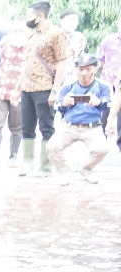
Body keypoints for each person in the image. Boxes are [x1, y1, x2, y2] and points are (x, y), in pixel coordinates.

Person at [18, 1, 71, 177]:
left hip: (45, 87)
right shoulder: (33, 35)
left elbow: (62, 61)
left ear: (40, 16)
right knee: (26, 127)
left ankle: (46, 167)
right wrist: (18, 87)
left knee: (46, 127)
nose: (28, 19)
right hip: (27, 88)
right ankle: (27, 163)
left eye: (30, 15)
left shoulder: (56, 34)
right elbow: (27, 62)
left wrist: (56, 90)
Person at [47, 54, 112, 185]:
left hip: (92, 127)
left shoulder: (102, 86)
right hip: (69, 126)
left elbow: (108, 104)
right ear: (76, 69)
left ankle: (86, 169)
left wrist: (98, 102)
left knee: (102, 149)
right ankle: (64, 171)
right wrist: (64, 103)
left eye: (88, 69)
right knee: (52, 147)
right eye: (81, 69)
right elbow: (57, 106)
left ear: (95, 69)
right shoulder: (68, 86)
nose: (83, 73)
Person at [0, 24, 28, 169]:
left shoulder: (30, 48)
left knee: (17, 126)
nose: (18, 34)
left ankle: (13, 156)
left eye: (21, 31)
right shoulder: (4, 45)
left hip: (20, 93)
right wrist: (0, 44)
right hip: (0, 90)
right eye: (16, 30)